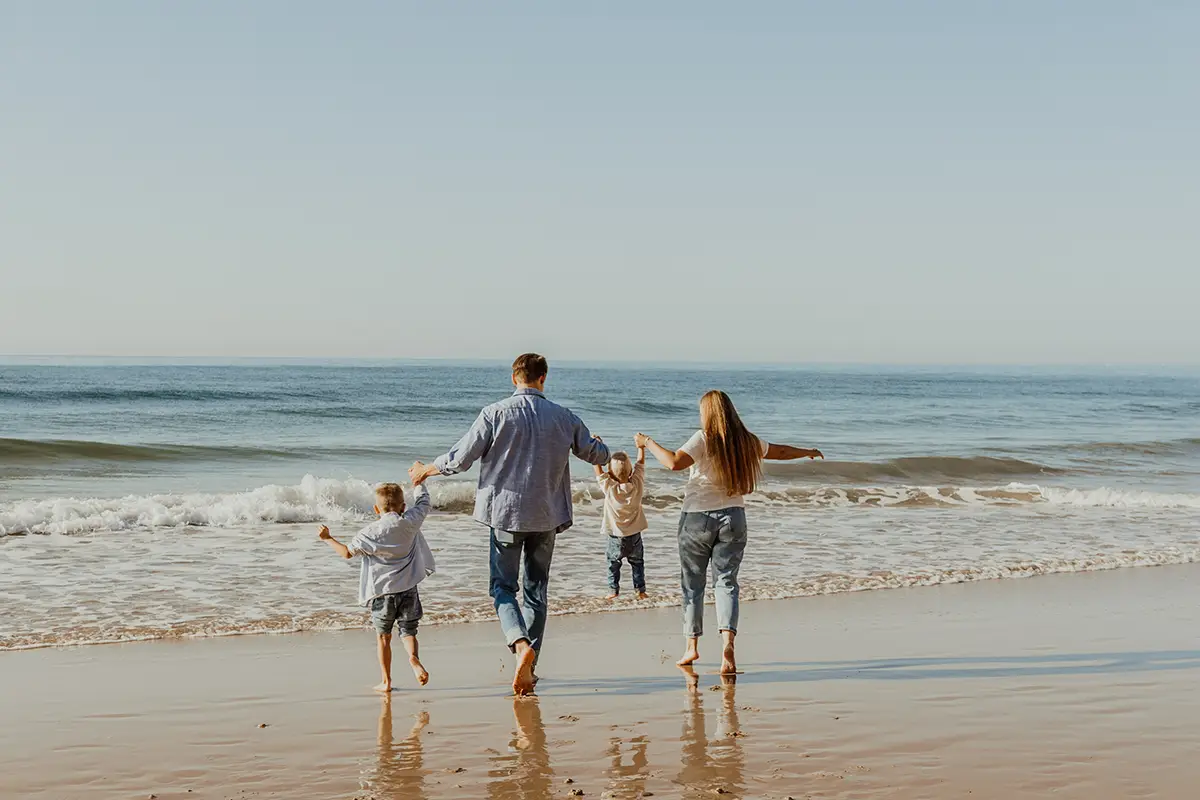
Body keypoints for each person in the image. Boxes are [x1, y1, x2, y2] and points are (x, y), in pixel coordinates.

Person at [410, 353, 610, 696]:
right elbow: (596, 454)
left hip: (505, 514)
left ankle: (520, 646)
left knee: (503, 588)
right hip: (546, 515)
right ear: (543, 379)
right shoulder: (563, 417)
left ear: (514, 378)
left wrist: (425, 470)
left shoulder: (495, 413)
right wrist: (602, 449)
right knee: (536, 590)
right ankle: (529, 665)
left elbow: (460, 459)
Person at [636, 390, 822, 674]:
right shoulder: (746, 442)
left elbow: (673, 462)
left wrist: (647, 442)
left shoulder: (703, 438)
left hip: (697, 518)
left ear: (707, 413)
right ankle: (728, 646)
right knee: (726, 582)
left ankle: (692, 647)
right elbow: (780, 452)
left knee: (693, 583)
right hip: (734, 518)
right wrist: (807, 451)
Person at [318, 465, 435, 693]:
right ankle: (413, 659)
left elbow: (347, 553)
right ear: (403, 507)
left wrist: (327, 538)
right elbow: (423, 504)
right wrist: (419, 482)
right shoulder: (410, 521)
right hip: (409, 589)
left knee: (384, 637)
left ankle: (386, 681)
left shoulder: (369, 533)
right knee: (409, 631)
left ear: (375, 509)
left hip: (383, 594)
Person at [593, 446, 648, 601]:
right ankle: (640, 591)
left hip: (615, 536)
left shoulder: (610, 488)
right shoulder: (637, 483)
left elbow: (598, 471)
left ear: (610, 473)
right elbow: (640, 464)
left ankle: (613, 591)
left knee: (613, 564)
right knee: (637, 563)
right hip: (635, 536)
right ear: (631, 472)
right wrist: (641, 447)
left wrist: (596, 450)